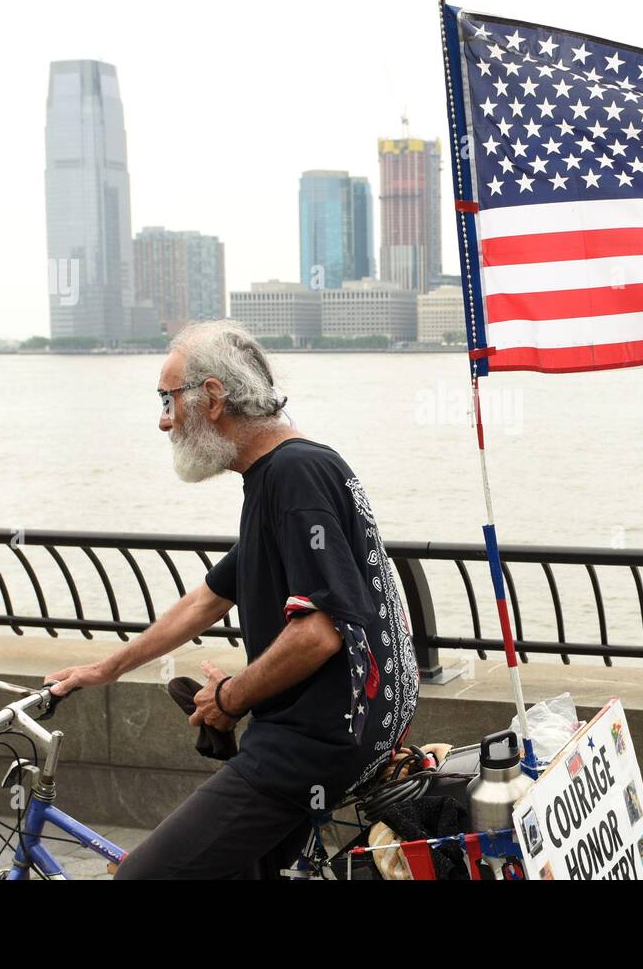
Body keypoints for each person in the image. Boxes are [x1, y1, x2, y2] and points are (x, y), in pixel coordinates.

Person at [44, 320, 420, 879]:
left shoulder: (295, 475)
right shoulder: (278, 475)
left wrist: (229, 697)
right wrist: (105, 669)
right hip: (337, 736)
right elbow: (207, 600)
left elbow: (318, 632)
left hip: (310, 747)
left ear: (214, 398)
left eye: (168, 399)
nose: (164, 421)